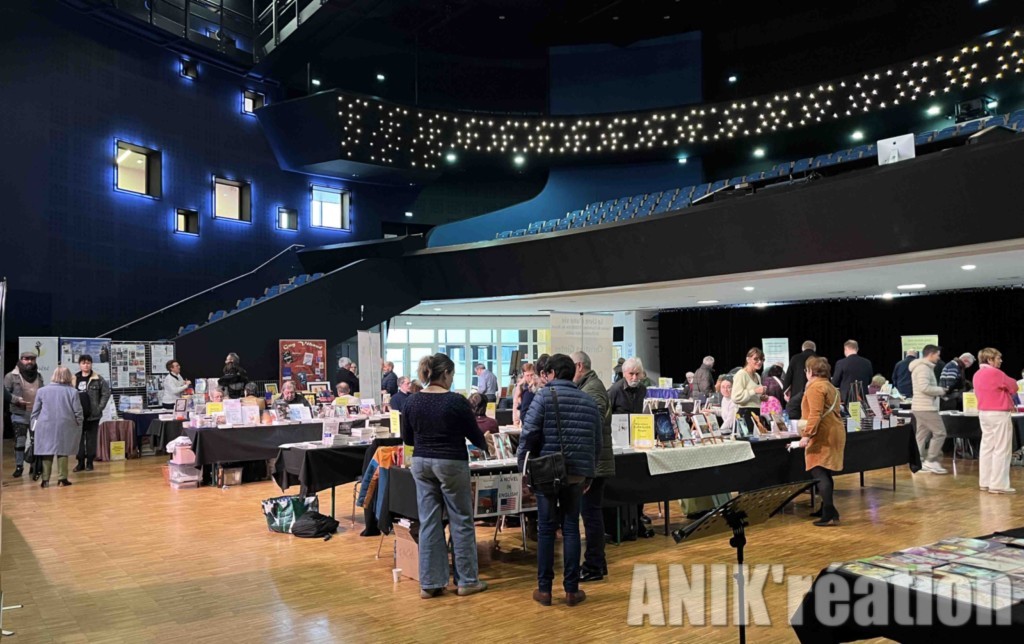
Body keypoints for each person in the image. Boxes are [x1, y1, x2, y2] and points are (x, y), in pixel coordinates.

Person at [402, 353, 489, 598]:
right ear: (446, 373)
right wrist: (485, 445)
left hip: (421, 462)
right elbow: (474, 435)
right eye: (452, 375)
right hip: (451, 462)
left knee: (429, 521)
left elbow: (408, 438)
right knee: (461, 519)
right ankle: (467, 581)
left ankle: (430, 584)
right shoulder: (455, 401)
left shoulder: (412, 401)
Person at [518, 354, 601, 607]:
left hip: (547, 472)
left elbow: (528, 434)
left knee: (546, 529)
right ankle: (572, 590)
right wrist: (589, 474)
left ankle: (544, 590)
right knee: (571, 527)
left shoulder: (543, 397)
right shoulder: (588, 400)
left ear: (552, 373)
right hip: (576, 474)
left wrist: (523, 468)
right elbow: (596, 442)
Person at [571, 351, 613, 584]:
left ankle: (594, 565)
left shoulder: (593, 388)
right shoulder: (589, 386)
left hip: (594, 463)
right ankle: (598, 563)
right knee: (591, 514)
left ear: (579, 366)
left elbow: (592, 424)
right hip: (594, 461)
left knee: (591, 515)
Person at [606, 357, 653, 538]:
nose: (634, 377)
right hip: (618, 445)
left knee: (640, 483)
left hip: (637, 442)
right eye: (631, 374)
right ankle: (621, 525)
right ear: (624, 373)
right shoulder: (614, 390)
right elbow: (606, 415)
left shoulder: (642, 389)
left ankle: (638, 519)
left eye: (637, 374)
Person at [799, 357, 846, 527]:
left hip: (823, 433)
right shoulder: (830, 386)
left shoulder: (815, 387)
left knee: (818, 470)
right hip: (835, 431)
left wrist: (806, 435)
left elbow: (815, 414)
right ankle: (827, 508)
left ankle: (828, 512)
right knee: (825, 471)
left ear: (810, 371)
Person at [973, 348, 1018, 494]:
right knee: (1002, 449)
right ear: (990, 360)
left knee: (987, 447)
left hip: (984, 413)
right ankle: (999, 484)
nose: (1001, 361)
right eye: (998, 358)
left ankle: (985, 482)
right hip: (998, 413)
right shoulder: (996, 373)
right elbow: (1014, 386)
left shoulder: (977, 374)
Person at [32, 366, 84, 488]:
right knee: (63, 451)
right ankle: (62, 479)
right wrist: (78, 423)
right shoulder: (73, 392)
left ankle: (45, 480)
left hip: (45, 425)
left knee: (46, 451)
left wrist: (33, 427)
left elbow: (35, 412)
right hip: (66, 424)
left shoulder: (42, 391)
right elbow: (78, 412)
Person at [5, 351, 45, 478]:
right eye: (26, 359)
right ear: (21, 360)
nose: (29, 361)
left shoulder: (39, 375)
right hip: (19, 413)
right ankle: (19, 466)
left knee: (35, 442)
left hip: (36, 414)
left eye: (32, 359)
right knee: (20, 441)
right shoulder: (11, 376)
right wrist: (16, 400)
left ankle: (34, 466)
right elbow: (5, 393)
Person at [911, 345, 949, 474]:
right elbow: (924, 387)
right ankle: (931, 461)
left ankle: (917, 461)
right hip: (925, 407)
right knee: (940, 433)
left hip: (920, 406)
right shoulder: (923, 368)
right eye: (937, 355)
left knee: (921, 434)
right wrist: (941, 390)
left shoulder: (922, 367)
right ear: (931, 354)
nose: (939, 358)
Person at [71, 355, 111, 472]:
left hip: (93, 415)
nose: (86, 365)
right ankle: (80, 462)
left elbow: (106, 393)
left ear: (91, 364)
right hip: (77, 415)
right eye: (83, 363)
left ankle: (89, 462)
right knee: (78, 440)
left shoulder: (98, 379)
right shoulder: (73, 378)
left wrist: (99, 408)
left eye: (88, 363)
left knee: (91, 439)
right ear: (79, 365)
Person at [732, 348, 768, 433]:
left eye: (762, 359)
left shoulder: (757, 376)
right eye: (756, 359)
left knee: (758, 439)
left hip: (756, 413)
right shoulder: (741, 374)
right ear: (748, 359)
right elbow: (735, 397)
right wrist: (755, 391)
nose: (759, 362)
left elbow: (751, 397)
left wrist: (761, 398)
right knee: (747, 440)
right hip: (745, 414)